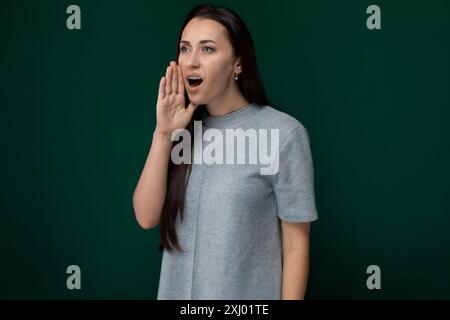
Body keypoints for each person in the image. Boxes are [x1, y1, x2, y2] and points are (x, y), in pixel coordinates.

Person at [132, 4, 318, 300]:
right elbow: (146, 216)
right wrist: (163, 133)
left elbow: (296, 247)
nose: (191, 62)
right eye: (184, 49)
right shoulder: (181, 132)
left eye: (207, 50)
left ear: (238, 64)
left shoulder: (283, 134)